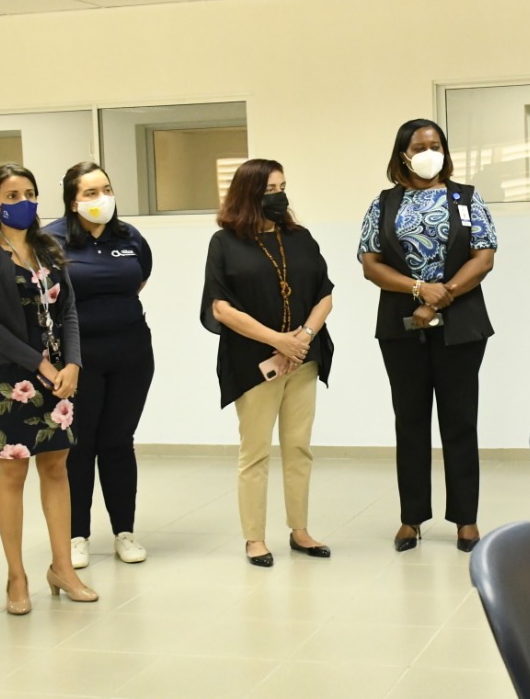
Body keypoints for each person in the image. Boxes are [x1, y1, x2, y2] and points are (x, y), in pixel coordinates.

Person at [358, 119, 498, 553]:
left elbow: (484, 258)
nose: (429, 153)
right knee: (410, 421)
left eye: (435, 145)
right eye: (419, 147)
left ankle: (466, 520)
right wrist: (419, 289)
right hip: (400, 327)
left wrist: (440, 297)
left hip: (461, 326)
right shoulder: (384, 204)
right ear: (403, 154)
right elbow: (370, 264)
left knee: (460, 421)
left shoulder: (466, 198)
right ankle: (411, 518)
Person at [0, 163, 98, 615]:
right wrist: (39, 363)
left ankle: (63, 568)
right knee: (13, 472)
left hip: (58, 378)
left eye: (29, 193)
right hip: (13, 379)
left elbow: (69, 311)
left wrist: (73, 363)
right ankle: (16, 576)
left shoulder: (49, 248)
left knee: (57, 468)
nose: (23, 202)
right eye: (12, 196)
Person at [201, 159, 335, 567]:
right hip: (253, 363)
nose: (279, 196)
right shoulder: (224, 243)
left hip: (303, 360)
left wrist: (302, 338)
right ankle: (255, 538)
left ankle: (300, 530)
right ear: (249, 194)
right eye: (270, 190)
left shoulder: (300, 238)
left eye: (282, 187)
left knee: (298, 447)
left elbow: (325, 294)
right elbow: (221, 308)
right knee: (255, 451)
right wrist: (278, 341)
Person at [45, 162, 153, 568]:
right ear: (72, 200)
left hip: (131, 352)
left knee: (119, 441)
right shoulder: (51, 240)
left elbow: (138, 279)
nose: (101, 198)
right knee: (80, 444)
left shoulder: (129, 237)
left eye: (106, 189)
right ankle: (77, 535)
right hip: (78, 357)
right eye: (90, 192)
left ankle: (124, 531)